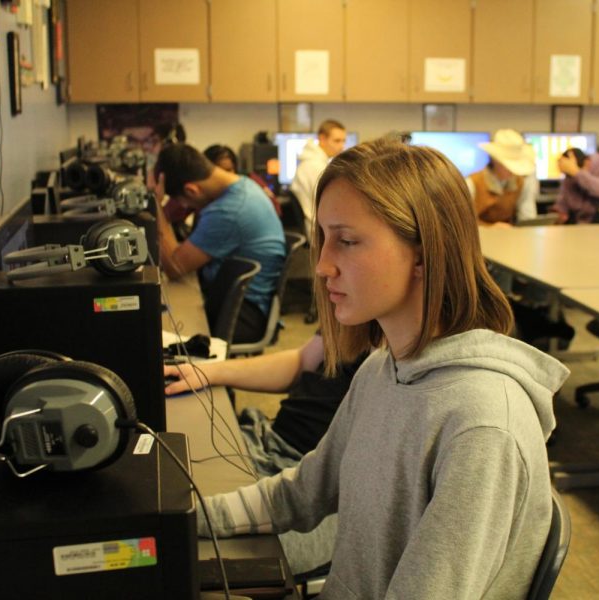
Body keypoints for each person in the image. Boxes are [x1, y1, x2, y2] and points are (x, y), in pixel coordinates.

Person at [197, 137, 569, 599]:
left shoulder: (482, 425)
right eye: (324, 240)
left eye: (347, 241)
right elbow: (301, 494)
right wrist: (186, 518)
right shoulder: (382, 368)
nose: (322, 266)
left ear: (423, 253)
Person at [164, 333, 367, 574]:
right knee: (164, 477)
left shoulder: (392, 375)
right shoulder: (359, 321)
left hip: (321, 500)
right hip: (272, 448)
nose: (323, 294)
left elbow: (305, 496)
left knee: (175, 549)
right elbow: (303, 360)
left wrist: (187, 519)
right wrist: (208, 372)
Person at [154, 143, 286, 343]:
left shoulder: (229, 210)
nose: (185, 207)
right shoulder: (244, 184)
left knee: (166, 328)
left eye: (183, 201)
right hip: (241, 300)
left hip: (241, 311)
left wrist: (155, 203)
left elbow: (174, 266)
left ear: (192, 190)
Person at [466, 129, 539, 226]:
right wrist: (490, 228)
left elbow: (527, 216)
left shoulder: (520, 183)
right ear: (495, 160)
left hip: (509, 238)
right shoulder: (472, 183)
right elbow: (462, 223)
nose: (512, 171)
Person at [289, 119, 346, 236]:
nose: (342, 146)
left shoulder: (312, 163)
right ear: (322, 139)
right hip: (317, 233)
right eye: (337, 141)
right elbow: (329, 208)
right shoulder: (316, 167)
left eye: (343, 141)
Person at [551, 147, 599, 224]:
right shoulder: (570, 176)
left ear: (587, 161)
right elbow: (563, 201)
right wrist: (558, 213)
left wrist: (577, 172)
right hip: (584, 227)